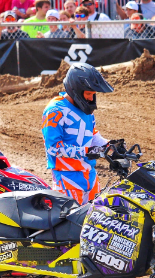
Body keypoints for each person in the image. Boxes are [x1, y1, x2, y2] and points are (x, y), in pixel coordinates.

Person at [42, 62, 114, 205]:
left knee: (97, 223)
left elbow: (92, 136)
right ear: (76, 89)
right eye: (88, 93)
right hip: (67, 180)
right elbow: (54, 148)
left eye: (93, 94)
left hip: (90, 176)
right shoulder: (55, 110)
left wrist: (109, 145)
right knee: (72, 225)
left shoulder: (87, 111)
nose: (91, 98)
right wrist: (88, 151)